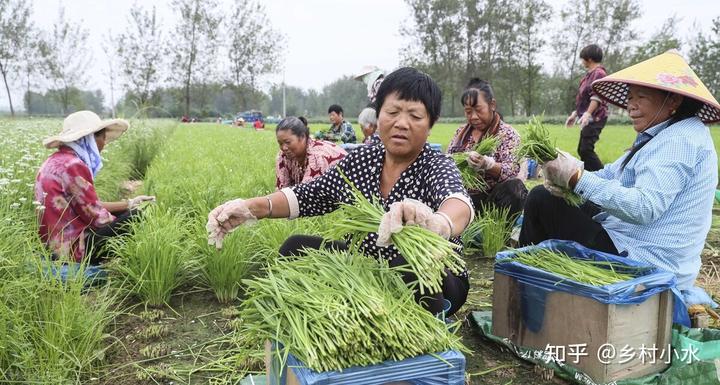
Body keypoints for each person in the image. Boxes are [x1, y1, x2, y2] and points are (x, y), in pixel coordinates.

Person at [207, 67, 474, 316]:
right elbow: (310, 194)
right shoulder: (363, 159)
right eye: (392, 112)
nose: (401, 123)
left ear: (431, 123)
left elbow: (458, 204)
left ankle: (414, 329)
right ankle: (359, 311)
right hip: (368, 263)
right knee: (295, 248)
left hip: (435, 276)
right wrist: (250, 208)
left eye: (415, 116)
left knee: (406, 265)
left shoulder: (436, 164)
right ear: (378, 114)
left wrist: (437, 223)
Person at [522, 50, 720, 305]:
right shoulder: (663, 134)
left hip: (645, 264)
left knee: (541, 200)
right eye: (629, 98)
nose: (631, 106)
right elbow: (611, 173)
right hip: (630, 242)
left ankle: (528, 289)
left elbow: (644, 207)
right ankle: (540, 281)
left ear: (673, 101)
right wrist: (569, 171)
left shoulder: (680, 140)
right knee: (553, 197)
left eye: (641, 97)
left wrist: (578, 179)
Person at [35, 111, 156, 264]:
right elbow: (97, 217)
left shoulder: (53, 161)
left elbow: (87, 206)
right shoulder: (74, 166)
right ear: (90, 138)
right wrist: (126, 220)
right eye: (103, 138)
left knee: (125, 213)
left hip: (51, 244)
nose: (104, 145)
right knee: (134, 218)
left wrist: (129, 203)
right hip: (70, 250)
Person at [447, 78, 527, 216]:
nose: (474, 117)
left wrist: (488, 165)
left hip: (492, 200)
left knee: (516, 188)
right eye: (468, 112)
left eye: (478, 110)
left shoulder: (507, 134)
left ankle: (497, 230)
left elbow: (513, 171)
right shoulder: (460, 133)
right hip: (462, 199)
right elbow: (447, 165)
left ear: (492, 105)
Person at [565, 44, 609, 171]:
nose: (582, 61)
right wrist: (575, 114)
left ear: (588, 59)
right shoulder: (588, 76)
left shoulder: (599, 73)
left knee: (586, 149)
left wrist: (588, 114)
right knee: (583, 150)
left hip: (596, 117)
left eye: (582, 58)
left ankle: (602, 176)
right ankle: (591, 177)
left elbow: (597, 97)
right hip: (588, 117)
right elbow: (583, 100)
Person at [275, 116, 347, 189]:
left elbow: (306, 194)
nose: (284, 148)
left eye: (288, 142)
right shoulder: (283, 156)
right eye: (280, 143)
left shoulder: (317, 156)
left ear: (302, 137)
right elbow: (282, 190)